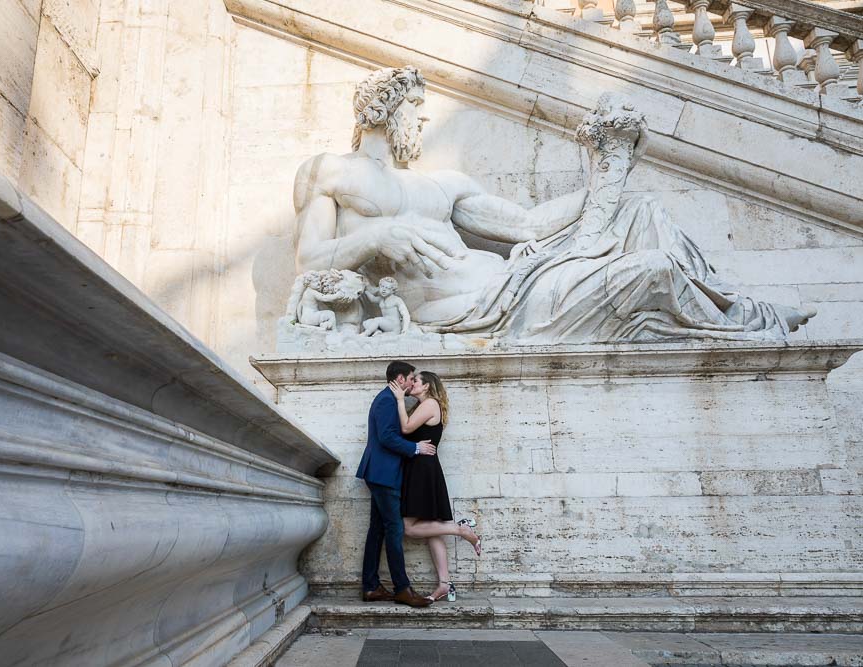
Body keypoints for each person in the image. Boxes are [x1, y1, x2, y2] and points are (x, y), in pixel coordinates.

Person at [292, 65, 815, 342]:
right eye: (416, 109)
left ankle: (740, 310)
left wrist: (610, 168)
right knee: (652, 269)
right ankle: (751, 323)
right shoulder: (332, 171)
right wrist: (376, 236)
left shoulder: (442, 185)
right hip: (475, 310)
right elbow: (309, 260)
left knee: (641, 210)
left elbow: (527, 224)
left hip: (516, 282)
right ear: (385, 108)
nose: (423, 122)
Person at [390, 371, 481, 603]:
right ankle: (444, 584)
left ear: (427, 386)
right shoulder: (427, 404)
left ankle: (460, 529)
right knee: (433, 529)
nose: (412, 383)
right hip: (423, 467)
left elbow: (407, 428)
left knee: (409, 528)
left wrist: (400, 400)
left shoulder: (430, 403)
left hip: (422, 469)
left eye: (417, 381)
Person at [356, 360, 437, 607]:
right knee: (395, 529)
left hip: (382, 473)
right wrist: (415, 447)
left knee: (378, 529)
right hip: (383, 474)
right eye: (411, 378)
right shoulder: (386, 400)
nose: (413, 382)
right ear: (400, 379)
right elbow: (387, 436)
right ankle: (402, 588)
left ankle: (371, 587)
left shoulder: (391, 399)